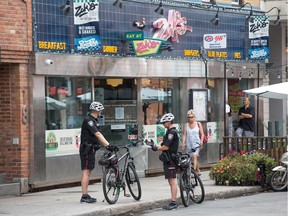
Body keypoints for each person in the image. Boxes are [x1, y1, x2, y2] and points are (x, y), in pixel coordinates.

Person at [146, 113, 179, 210]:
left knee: (172, 181)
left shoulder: (172, 133)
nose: (163, 124)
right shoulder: (169, 132)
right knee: (170, 181)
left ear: (169, 122)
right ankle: (173, 201)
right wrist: (154, 145)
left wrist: (156, 148)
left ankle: (174, 203)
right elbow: (164, 144)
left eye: (164, 122)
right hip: (167, 159)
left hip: (171, 160)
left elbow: (166, 147)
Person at [79, 101, 110, 203]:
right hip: (87, 150)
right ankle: (84, 196)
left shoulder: (94, 120)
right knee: (86, 171)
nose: (101, 112)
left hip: (91, 149)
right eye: (100, 110)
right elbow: (97, 134)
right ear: (97, 110)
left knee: (88, 171)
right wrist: (108, 145)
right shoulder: (89, 121)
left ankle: (85, 195)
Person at [182, 109, 204, 176]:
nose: (190, 118)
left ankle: (193, 172)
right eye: (189, 117)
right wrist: (183, 143)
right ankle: (197, 169)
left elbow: (202, 133)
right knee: (192, 157)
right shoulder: (186, 125)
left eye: (191, 117)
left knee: (194, 156)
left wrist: (201, 141)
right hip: (189, 143)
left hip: (196, 143)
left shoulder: (198, 124)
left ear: (194, 117)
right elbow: (184, 135)